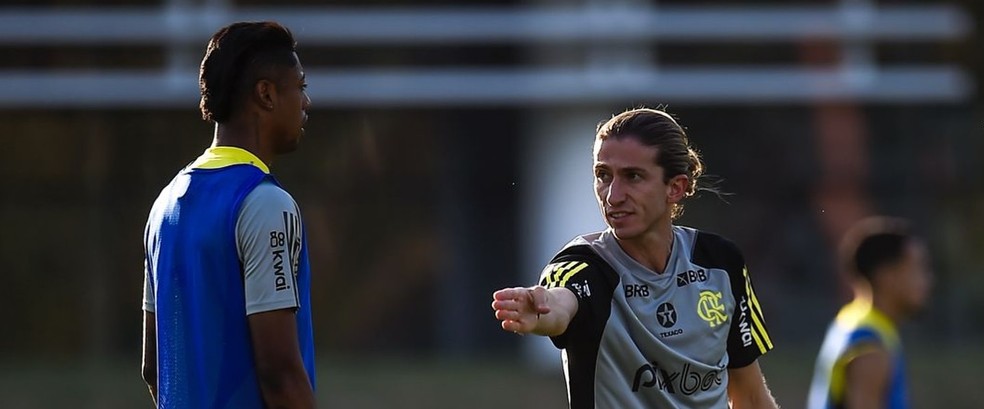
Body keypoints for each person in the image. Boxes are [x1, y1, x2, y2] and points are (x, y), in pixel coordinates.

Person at [492, 108, 779, 409]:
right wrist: (541, 310)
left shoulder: (720, 263)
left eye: (633, 177)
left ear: (675, 187)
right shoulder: (583, 266)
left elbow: (749, 396)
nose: (613, 196)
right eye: (603, 176)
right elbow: (562, 303)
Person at [141, 21, 315, 409]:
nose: (306, 102)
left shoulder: (165, 205)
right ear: (267, 94)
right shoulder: (265, 203)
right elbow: (280, 373)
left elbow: (154, 367)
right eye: (300, 87)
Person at [807, 217, 932, 409]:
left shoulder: (852, 319)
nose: (927, 281)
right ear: (886, 276)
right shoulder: (870, 347)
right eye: (917, 269)